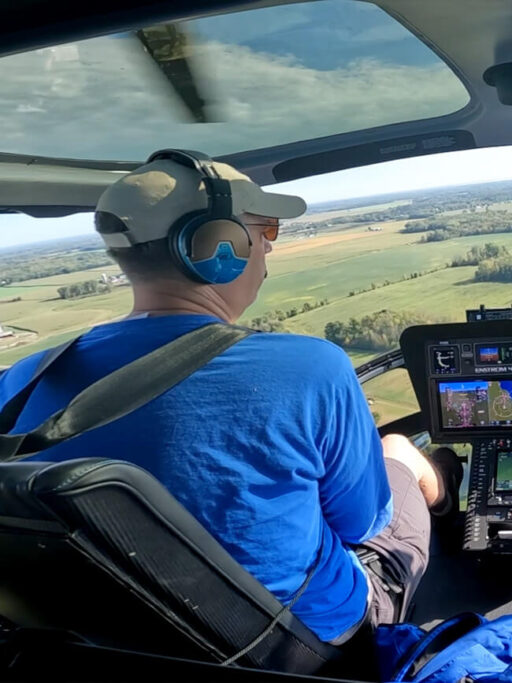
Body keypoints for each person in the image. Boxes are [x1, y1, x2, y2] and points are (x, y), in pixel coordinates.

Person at [0, 150, 460, 645]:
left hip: (124, 646)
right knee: (398, 453)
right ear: (219, 247)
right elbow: (362, 522)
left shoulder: (19, 382)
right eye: (266, 233)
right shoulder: (311, 368)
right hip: (303, 643)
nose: (269, 249)